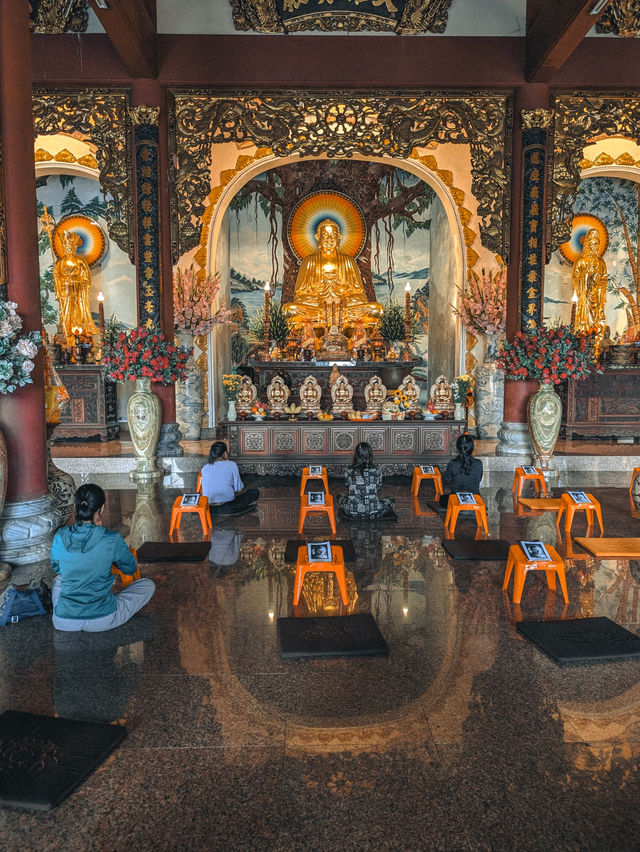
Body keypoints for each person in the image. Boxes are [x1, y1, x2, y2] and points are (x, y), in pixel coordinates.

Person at [51, 483, 155, 632]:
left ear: (76, 508)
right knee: (148, 585)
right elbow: (130, 568)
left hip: (64, 621)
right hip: (102, 620)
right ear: (102, 509)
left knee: (59, 579)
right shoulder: (111, 539)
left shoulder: (61, 535)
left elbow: (57, 568)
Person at [284, 219, 383, 328]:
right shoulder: (309, 262)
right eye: (325, 235)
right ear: (318, 237)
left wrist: (344, 301)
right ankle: (339, 323)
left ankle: (323, 323)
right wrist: (319, 300)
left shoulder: (348, 261)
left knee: (376, 309)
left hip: (345, 308)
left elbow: (360, 294)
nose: (329, 239)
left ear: (339, 237)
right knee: (290, 310)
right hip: (316, 308)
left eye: (333, 235)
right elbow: (300, 295)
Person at [53, 229, 99, 346]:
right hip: (66, 293)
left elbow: (86, 279)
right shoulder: (60, 263)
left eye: (70, 247)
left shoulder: (80, 262)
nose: (68, 249)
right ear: (63, 248)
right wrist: (60, 280)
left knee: (78, 313)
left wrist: (75, 282)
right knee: (66, 311)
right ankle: (65, 330)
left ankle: (78, 331)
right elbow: (57, 278)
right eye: (66, 247)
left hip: (77, 293)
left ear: (74, 248)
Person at [337, 441, 395, 520]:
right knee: (391, 500)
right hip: (374, 512)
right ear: (370, 455)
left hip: (352, 513)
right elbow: (378, 487)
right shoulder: (377, 470)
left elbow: (348, 486)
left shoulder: (348, 470)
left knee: (340, 497)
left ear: (356, 455)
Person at [200, 441, 259, 515]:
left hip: (209, 507)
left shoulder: (205, 467)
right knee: (254, 492)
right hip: (228, 506)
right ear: (225, 453)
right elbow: (239, 489)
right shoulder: (231, 465)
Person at [572, 228, 608, 344]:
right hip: (584, 295)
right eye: (592, 243)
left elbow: (604, 278)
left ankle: (597, 337)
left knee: (597, 316)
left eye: (596, 243)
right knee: (584, 315)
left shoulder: (601, 262)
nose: (594, 246)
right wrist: (584, 278)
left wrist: (599, 284)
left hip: (597, 295)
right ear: (587, 244)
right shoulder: (581, 261)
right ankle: (584, 337)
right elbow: (575, 278)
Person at [439, 433, 483, 507]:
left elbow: (446, 480)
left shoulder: (453, 463)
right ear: (472, 448)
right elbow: (479, 479)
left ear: (458, 448)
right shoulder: (479, 463)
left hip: (456, 498)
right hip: (475, 498)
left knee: (442, 499)